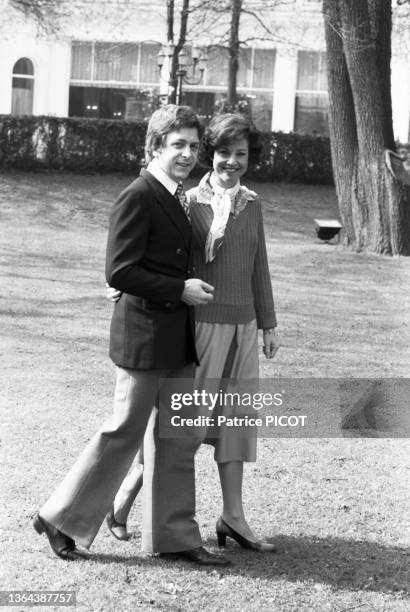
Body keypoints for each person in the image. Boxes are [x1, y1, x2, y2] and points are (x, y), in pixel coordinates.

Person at [33, 104, 230, 567]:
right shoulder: (138, 195)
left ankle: (176, 536)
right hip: (143, 338)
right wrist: (179, 288)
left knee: (178, 437)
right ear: (154, 147)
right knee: (123, 432)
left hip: (175, 338)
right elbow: (119, 270)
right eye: (177, 144)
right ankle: (59, 517)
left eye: (193, 145)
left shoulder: (178, 195)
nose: (187, 153)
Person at [107, 113, 280, 551]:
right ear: (211, 154)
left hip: (244, 328)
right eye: (224, 152)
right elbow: (159, 258)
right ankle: (128, 494)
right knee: (182, 426)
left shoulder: (254, 203)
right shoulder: (186, 200)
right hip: (199, 328)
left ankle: (234, 517)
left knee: (236, 424)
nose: (232, 162)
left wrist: (269, 324)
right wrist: (117, 285)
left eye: (241, 154)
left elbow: (259, 265)